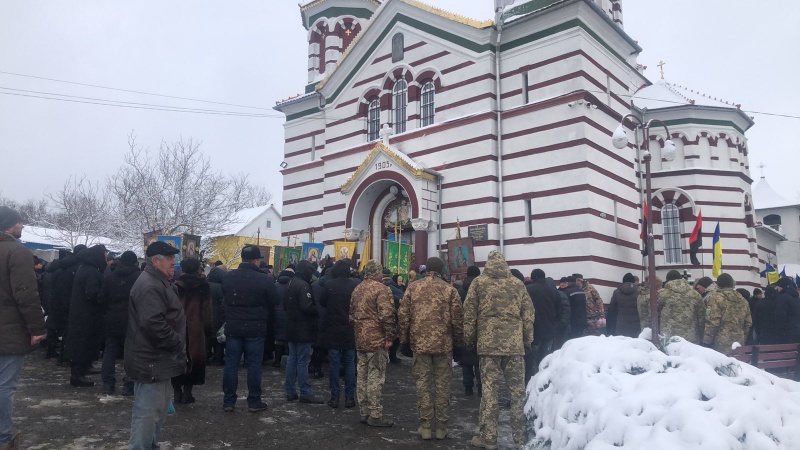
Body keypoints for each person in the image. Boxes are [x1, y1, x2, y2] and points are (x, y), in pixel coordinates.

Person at [464, 250, 534, 450]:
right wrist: (527, 341)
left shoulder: (479, 283)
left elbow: (469, 314)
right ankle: (520, 438)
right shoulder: (517, 284)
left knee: (489, 392)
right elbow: (528, 315)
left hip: (488, 347)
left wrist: (469, 341)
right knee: (517, 393)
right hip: (514, 346)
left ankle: (489, 439)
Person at [125, 241, 186, 450]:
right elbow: (153, 324)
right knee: (147, 414)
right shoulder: (150, 284)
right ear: (155, 260)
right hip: (150, 359)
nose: (174, 262)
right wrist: (177, 342)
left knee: (157, 412)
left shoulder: (160, 281)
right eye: (169, 258)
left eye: (174, 258)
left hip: (158, 359)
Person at [398, 257, 465, 440]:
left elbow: (404, 316)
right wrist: (460, 344)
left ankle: (426, 426)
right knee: (443, 387)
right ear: (441, 269)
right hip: (444, 346)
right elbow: (458, 321)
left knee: (423, 386)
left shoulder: (413, 288)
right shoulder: (449, 290)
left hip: (420, 346)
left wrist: (404, 342)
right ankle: (442, 427)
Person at [0, 206, 46, 450]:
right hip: (7, 331)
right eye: (19, 222)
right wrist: (37, 327)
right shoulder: (16, 252)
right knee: (5, 386)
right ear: (9, 224)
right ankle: (3, 437)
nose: (23, 226)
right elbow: (26, 294)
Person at [221, 246, 277, 413]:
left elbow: (225, 297)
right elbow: (275, 300)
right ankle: (254, 401)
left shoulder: (229, 277)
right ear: (256, 260)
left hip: (233, 327)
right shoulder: (265, 279)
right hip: (256, 328)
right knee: (254, 365)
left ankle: (229, 401)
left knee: (231, 364)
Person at [350, 260, 396, 427]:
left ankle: (364, 412)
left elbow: (351, 315)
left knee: (362, 376)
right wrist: (390, 336)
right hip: (376, 339)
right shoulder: (381, 289)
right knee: (375, 377)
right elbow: (387, 315)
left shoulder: (357, 289)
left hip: (360, 339)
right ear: (377, 273)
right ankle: (375, 414)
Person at [319, 260, 360, 409]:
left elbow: (322, 303)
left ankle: (335, 397)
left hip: (333, 329)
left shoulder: (329, 286)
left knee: (334, 364)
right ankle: (350, 398)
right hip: (349, 330)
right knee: (350, 363)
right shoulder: (355, 286)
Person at [98, 250, 140, 395]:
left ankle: (108, 384)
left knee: (109, 351)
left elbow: (102, 298)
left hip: (112, 318)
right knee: (131, 353)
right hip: (132, 319)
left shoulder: (110, 275)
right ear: (135, 262)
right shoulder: (139, 277)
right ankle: (129, 385)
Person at [66, 244, 108, 387]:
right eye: (104, 254)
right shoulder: (91, 271)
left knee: (83, 343)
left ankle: (82, 370)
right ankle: (78, 375)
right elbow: (92, 294)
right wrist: (103, 296)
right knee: (83, 344)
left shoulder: (85, 268)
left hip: (82, 313)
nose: (106, 257)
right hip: (87, 315)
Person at [172, 258, 212, 404]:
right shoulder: (203, 286)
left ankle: (177, 391)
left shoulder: (175, 285)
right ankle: (188, 393)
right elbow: (206, 309)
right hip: (196, 327)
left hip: (177, 327)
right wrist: (208, 329)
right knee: (194, 358)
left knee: (177, 358)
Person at [283, 259, 324, 404]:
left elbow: (285, 305)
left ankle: (290, 391)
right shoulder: (304, 285)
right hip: (303, 329)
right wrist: (317, 310)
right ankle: (305, 392)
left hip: (292, 327)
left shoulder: (291, 282)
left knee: (292, 360)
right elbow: (306, 307)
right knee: (302, 361)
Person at [702, 273, 752, 355]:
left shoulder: (715, 299)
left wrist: (706, 342)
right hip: (738, 344)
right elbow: (748, 323)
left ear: (718, 284)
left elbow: (712, 322)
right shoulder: (742, 300)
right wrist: (742, 337)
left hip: (720, 344)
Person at [525, 269, 557, 382]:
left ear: (534, 278)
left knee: (531, 361)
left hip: (534, 330)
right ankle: (543, 382)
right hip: (549, 330)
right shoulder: (553, 290)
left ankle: (531, 383)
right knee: (544, 359)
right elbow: (560, 309)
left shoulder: (528, 289)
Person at [658, 270, 705, 344]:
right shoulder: (695, 295)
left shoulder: (662, 294)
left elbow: (655, 315)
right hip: (691, 340)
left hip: (668, 339)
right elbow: (701, 318)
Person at [272, 265, 294, 369]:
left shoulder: (275, 285)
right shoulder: (293, 285)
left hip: (276, 314)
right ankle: (289, 362)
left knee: (278, 338)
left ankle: (277, 361)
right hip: (289, 313)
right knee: (288, 338)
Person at [606, 273, 640, 338]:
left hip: (621, 324)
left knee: (622, 344)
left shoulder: (617, 292)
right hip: (636, 324)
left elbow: (611, 309)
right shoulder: (638, 292)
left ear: (623, 281)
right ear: (633, 281)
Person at [206, 266, 226, 366]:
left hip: (205, 316)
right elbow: (222, 303)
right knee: (218, 339)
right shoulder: (219, 287)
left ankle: (206, 358)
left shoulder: (204, 285)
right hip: (217, 316)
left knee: (206, 339)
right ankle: (218, 359)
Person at [774, 277, 800, 344]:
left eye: (778, 286)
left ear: (782, 286)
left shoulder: (783, 298)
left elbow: (780, 317)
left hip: (788, 333)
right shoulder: (796, 297)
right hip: (797, 331)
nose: (777, 289)